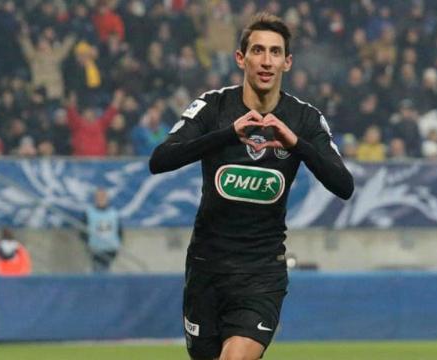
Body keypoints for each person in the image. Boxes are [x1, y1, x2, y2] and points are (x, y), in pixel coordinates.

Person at [149, 13, 354, 360]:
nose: (266, 60)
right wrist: (227, 135)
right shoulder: (213, 106)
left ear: (287, 62)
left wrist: (297, 146)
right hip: (206, 267)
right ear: (241, 58)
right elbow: (160, 160)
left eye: (275, 52)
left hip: (262, 272)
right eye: (258, 50)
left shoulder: (304, 118)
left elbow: (344, 185)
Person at [82, 188, 123, 273]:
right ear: (95, 198)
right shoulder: (89, 213)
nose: (101, 199)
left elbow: (119, 231)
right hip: (95, 249)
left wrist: (117, 245)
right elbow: (82, 231)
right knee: (99, 269)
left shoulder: (114, 213)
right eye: (99, 197)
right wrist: (88, 243)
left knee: (105, 269)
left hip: (111, 249)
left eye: (103, 196)